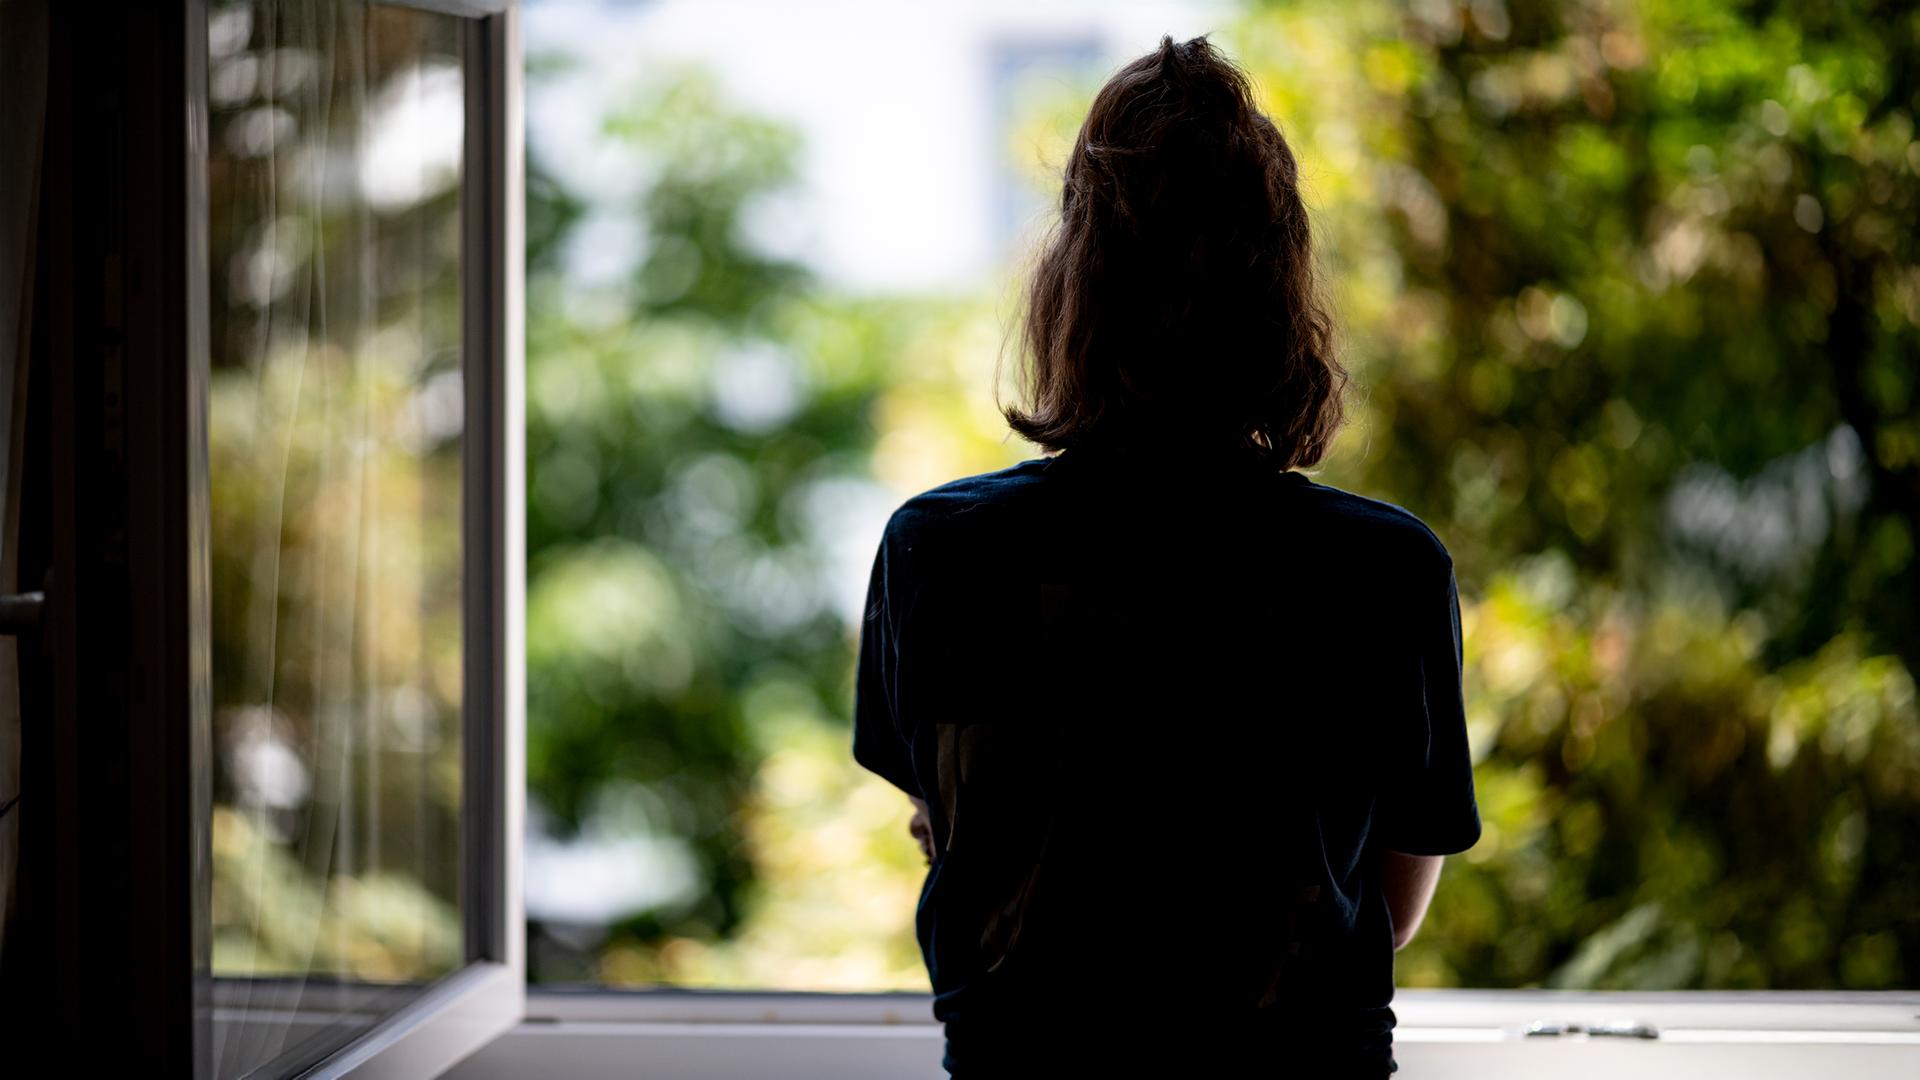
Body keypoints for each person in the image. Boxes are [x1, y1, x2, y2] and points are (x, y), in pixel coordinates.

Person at [852, 35, 1480, 1078]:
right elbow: (1388, 907)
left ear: (1071, 289)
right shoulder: (1386, 570)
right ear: (1281, 298)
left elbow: (963, 840)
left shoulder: (940, 553)